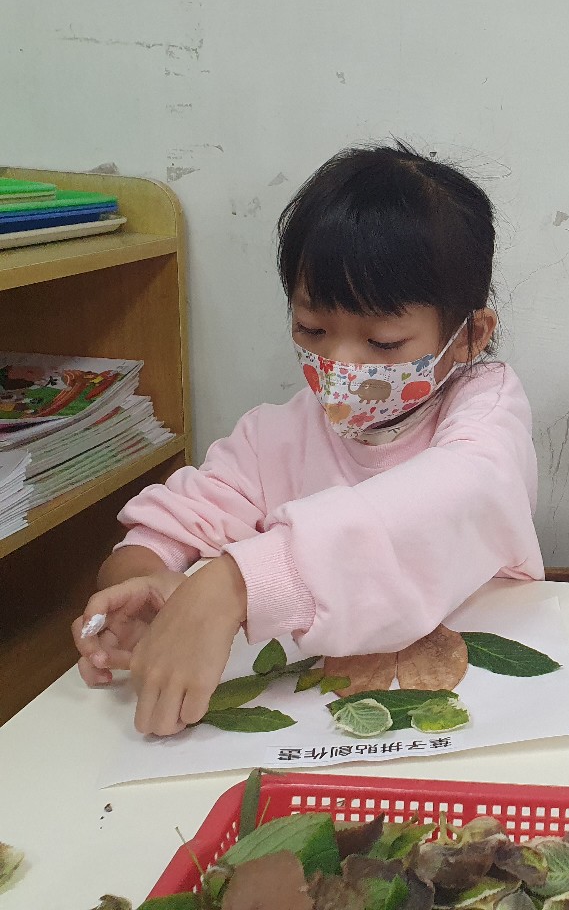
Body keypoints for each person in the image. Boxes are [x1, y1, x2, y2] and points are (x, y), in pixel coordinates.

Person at [72, 143, 544, 736]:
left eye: (383, 343)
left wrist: (238, 584)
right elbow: (168, 529)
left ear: (471, 336)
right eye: (312, 329)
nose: (341, 365)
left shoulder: (485, 411)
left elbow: (461, 493)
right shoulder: (276, 435)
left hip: (477, 713)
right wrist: (145, 588)